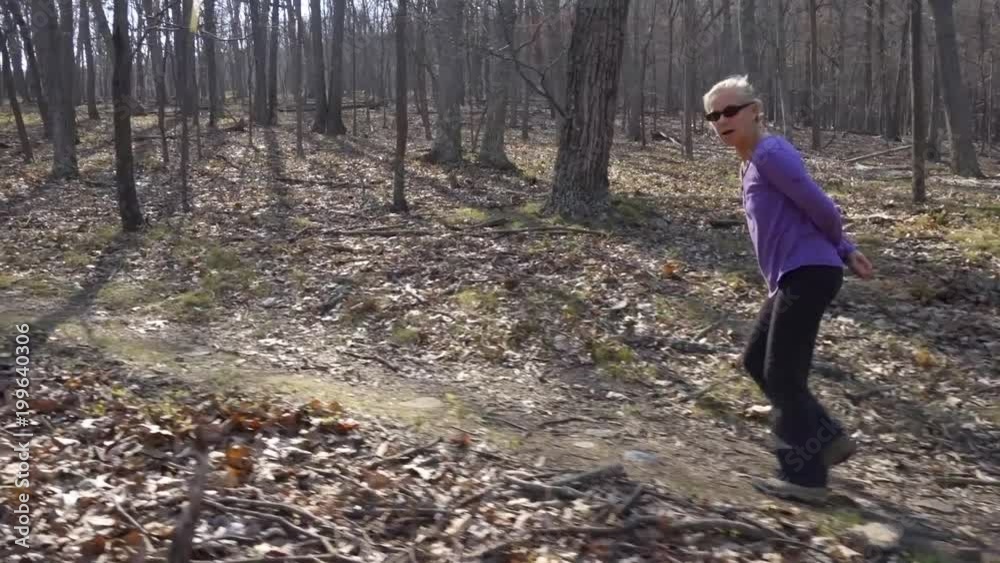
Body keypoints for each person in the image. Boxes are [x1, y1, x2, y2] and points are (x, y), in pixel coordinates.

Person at [702, 75, 874, 503]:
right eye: (713, 115)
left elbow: (820, 206)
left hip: (809, 272)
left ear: (754, 109)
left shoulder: (770, 152)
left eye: (730, 110)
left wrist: (842, 247)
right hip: (793, 276)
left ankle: (804, 478)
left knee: (782, 372)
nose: (721, 120)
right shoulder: (750, 162)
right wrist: (844, 251)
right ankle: (826, 437)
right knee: (758, 361)